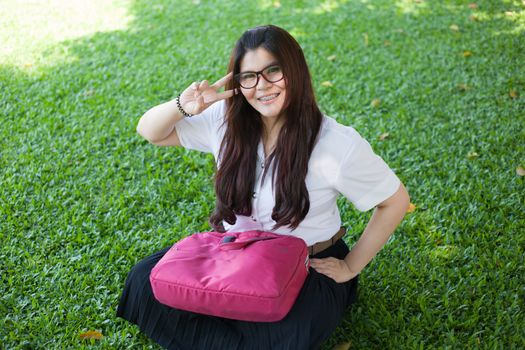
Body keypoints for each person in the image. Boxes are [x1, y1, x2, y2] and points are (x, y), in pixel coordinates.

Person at [117, 24, 410, 350]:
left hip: (305, 267)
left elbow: (394, 201)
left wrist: (351, 265)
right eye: (249, 77)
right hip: (236, 254)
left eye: (274, 71)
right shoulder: (224, 121)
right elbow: (151, 131)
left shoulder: (336, 144)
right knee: (145, 282)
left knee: (288, 333)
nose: (262, 86)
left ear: (295, 70)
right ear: (239, 84)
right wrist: (184, 105)